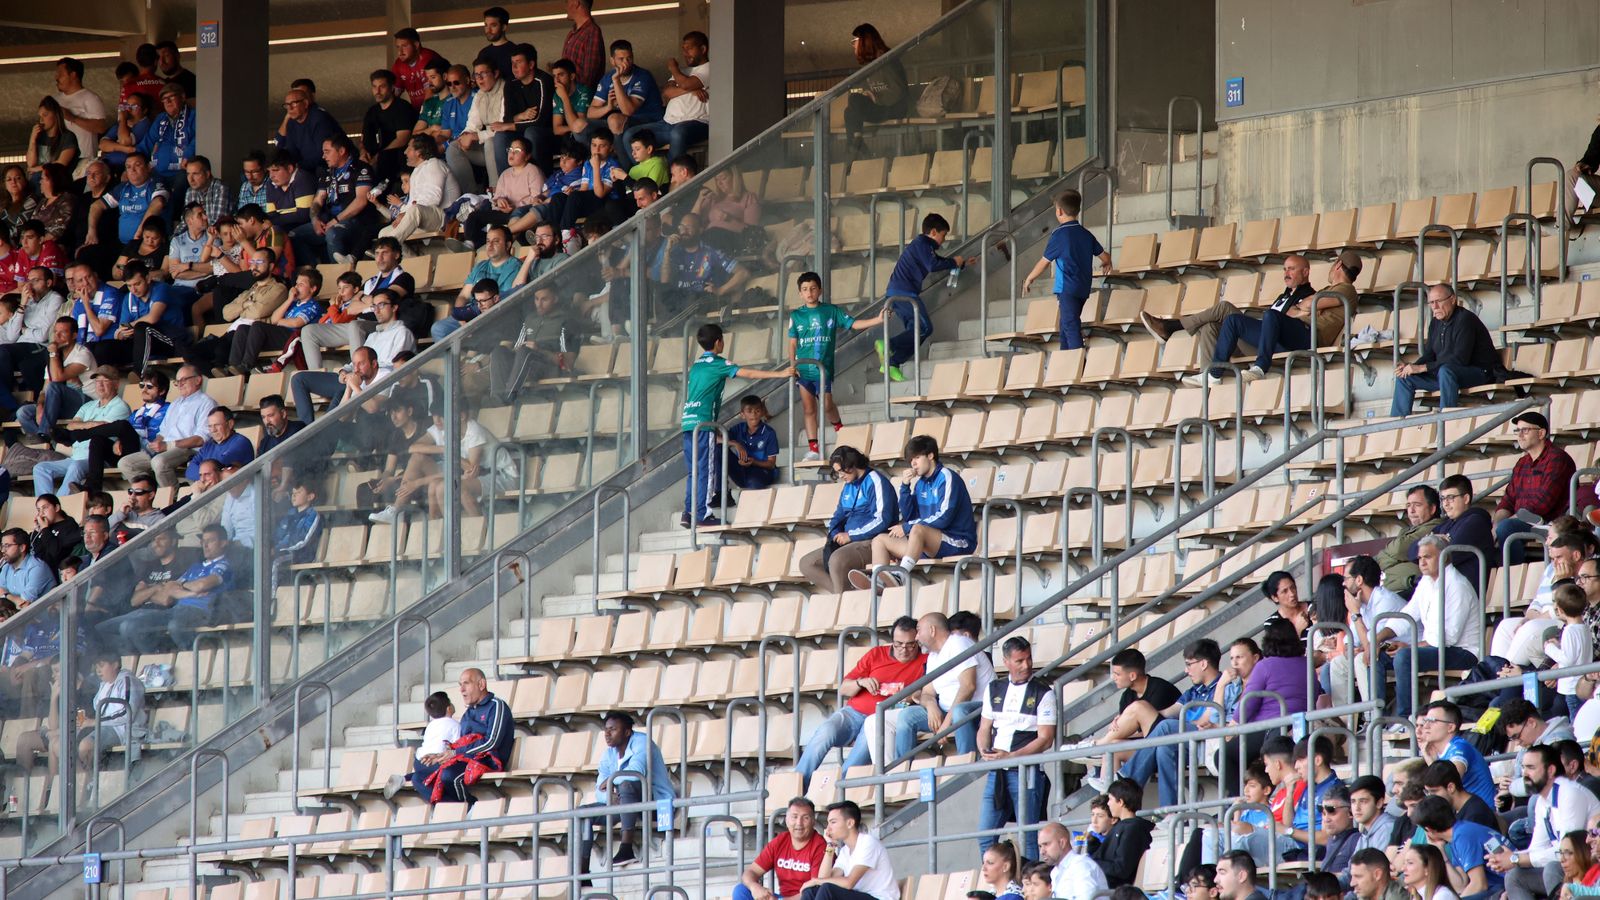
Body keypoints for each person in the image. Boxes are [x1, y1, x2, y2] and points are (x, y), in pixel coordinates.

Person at [678, 323, 795, 527]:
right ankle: (702, 515)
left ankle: (688, 512)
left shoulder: (696, 366)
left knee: (693, 471)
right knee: (705, 471)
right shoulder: (717, 363)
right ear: (718, 342)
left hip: (688, 424)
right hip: (704, 425)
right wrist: (780, 374)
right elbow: (747, 374)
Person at [860, 611, 985, 767]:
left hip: (979, 708)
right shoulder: (933, 656)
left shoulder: (958, 643)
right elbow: (927, 693)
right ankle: (901, 771)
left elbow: (968, 687)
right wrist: (931, 705)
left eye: (919, 630)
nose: (917, 637)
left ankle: (966, 765)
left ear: (932, 630)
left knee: (960, 711)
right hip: (947, 711)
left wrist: (945, 725)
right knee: (907, 716)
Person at [1378, 536, 1483, 720]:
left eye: (1428, 557)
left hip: (1463, 652)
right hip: (1436, 648)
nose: (1422, 562)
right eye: (1420, 558)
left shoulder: (1457, 585)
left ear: (1445, 556)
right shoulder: (1426, 582)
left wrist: (1413, 647)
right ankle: (1379, 717)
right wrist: (1377, 639)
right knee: (1377, 655)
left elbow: (1448, 637)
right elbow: (1407, 614)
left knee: (1404, 657)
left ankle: (1406, 719)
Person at [850, 435, 975, 590]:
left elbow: (944, 517)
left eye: (916, 457)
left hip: (957, 541)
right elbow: (911, 516)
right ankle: (879, 581)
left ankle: (900, 575)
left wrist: (908, 528)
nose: (913, 464)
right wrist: (905, 486)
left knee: (916, 529)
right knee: (880, 540)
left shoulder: (947, 477)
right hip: (927, 543)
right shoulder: (920, 484)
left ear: (930, 455)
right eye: (910, 460)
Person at [788, 271, 884, 460]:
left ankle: (840, 429)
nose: (809, 293)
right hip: (803, 370)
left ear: (820, 290)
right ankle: (814, 448)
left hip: (824, 369)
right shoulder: (796, 315)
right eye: (805, 290)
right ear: (800, 293)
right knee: (809, 409)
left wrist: (878, 320)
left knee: (826, 404)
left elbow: (853, 324)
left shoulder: (831, 311)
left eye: (813, 289)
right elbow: (792, 343)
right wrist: (792, 367)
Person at [976, 636, 1055, 860]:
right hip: (998, 771)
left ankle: (1029, 886)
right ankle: (1001, 882)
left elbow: (1046, 739)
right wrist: (983, 749)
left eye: (1029, 659)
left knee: (1027, 836)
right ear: (1006, 661)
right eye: (1019, 661)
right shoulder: (994, 689)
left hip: (1026, 771)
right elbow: (984, 728)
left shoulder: (1044, 692)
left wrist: (1012, 756)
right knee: (985, 835)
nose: (1026, 665)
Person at [95, 523, 231, 653]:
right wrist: (190, 593)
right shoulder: (196, 566)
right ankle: (149, 663)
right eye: (203, 541)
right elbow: (170, 589)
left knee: (174, 626)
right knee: (123, 627)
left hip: (200, 611)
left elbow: (201, 585)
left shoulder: (224, 564)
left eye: (210, 541)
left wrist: (182, 588)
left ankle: (185, 658)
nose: (205, 545)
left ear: (224, 543)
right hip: (176, 610)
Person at [1490, 746, 1600, 900]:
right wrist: (1509, 858)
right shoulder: (1543, 800)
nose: (1524, 774)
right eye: (1523, 768)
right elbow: (1537, 848)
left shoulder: (1570, 793)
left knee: (1552, 868)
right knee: (1514, 877)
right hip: (1571, 869)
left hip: (1590, 867)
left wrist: (1515, 859)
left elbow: (1569, 852)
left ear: (1550, 771)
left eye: (1531, 768)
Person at [577, 710, 675, 877]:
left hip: (654, 804)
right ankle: (583, 872)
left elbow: (636, 771)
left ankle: (626, 849)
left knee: (625, 783)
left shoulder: (642, 743)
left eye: (613, 729)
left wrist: (610, 781)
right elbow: (599, 790)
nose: (607, 734)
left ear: (627, 732)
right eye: (606, 729)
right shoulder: (608, 754)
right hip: (624, 804)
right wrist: (610, 797)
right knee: (583, 813)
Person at [1074, 645, 1183, 793]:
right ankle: (1112, 801)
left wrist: (1121, 728)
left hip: (1168, 749)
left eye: (1117, 674)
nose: (1113, 678)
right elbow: (1130, 732)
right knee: (1112, 747)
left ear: (1132, 676)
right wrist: (1118, 728)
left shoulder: (1160, 689)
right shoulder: (1127, 695)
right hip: (1146, 749)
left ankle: (1096, 746)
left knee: (1138, 709)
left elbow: (1152, 731)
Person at [875, 214, 971, 382]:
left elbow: (938, 260)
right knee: (925, 328)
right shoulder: (922, 244)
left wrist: (960, 263)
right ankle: (888, 345)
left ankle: (892, 363)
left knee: (916, 331)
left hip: (898, 293)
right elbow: (933, 265)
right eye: (943, 235)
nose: (944, 239)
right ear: (933, 232)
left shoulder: (924, 248)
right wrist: (953, 262)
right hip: (903, 294)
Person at [798, 446, 899, 594]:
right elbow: (838, 516)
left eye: (841, 471)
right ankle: (847, 595)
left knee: (837, 560)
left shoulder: (876, 481)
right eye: (837, 472)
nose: (840, 476)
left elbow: (883, 519)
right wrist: (835, 535)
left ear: (852, 465)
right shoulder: (848, 486)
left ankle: (842, 602)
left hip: (872, 541)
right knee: (807, 563)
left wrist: (851, 536)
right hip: (849, 541)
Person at [1390, 284, 1500, 417]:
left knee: (1446, 371)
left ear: (1452, 299)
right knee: (1404, 378)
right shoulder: (1435, 323)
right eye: (1431, 302)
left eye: (1438, 301)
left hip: (1480, 373)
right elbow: (1429, 354)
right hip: (1447, 376)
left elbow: (1460, 359)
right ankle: (1397, 424)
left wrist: (1422, 368)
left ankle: (1446, 421)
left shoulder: (1465, 319)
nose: (1434, 307)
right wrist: (1411, 367)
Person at [1020, 189, 1110, 351]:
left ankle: (1077, 362)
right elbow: (1104, 256)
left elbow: (1044, 262)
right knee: (1065, 327)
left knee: (1070, 324)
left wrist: (1029, 278)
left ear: (1059, 211)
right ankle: (1065, 361)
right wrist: (1107, 263)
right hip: (1082, 288)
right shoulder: (1086, 234)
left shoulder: (1059, 234)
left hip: (1067, 288)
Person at [409, 668, 512, 804]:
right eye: (460, 685)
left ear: (481, 685)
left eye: (466, 683)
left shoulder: (497, 706)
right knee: (418, 778)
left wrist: (455, 752)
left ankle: (467, 807)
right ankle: (456, 810)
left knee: (449, 775)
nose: (461, 690)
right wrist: (440, 756)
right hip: (466, 759)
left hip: (487, 760)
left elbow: (491, 742)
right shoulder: (468, 714)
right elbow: (460, 744)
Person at [35, 366, 129, 496]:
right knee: (41, 468)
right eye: (97, 381)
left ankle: (59, 504)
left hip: (98, 458)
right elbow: (70, 426)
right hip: (76, 456)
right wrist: (91, 424)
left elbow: (104, 428)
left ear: (116, 384)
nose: (100, 385)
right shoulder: (88, 406)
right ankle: (44, 505)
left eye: (105, 381)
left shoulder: (120, 406)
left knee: (76, 466)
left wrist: (82, 424)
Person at [1497, 411, 1578, 564]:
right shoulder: (1522, 463)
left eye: (1525, 430)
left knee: (1506, 527)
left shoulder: (1557, 458)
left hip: (1549, 522)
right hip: (1526, 520)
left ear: (1541, 433)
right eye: (1517, 430)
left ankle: (1512, 575)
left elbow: (1542, 503)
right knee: (1491, 528)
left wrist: (1505, 523)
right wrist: (1495, 524)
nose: (1520, 435)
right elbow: (1508, 500)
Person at [295, 136, 381, 266]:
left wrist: (335, 221)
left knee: (332, 233)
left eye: (327, 151)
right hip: (330, 220)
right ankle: (313, 273)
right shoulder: (328, 173)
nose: (323, 156)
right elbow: (318, 200)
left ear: (341, 151)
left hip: (357, 222)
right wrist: (314, 219)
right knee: (294, 235)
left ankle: (341, 278)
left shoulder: (360, 168)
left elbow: (361, 201)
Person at [15, 315, 97, 445]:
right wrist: (40, 406)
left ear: (74, 335)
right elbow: (44, 390)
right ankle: (49, 443)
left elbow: (57, 378)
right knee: (23, 412)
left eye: (63, 332)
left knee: (55, 386)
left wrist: (53, 353)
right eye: (55, 332)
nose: (57, 337)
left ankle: (45, 433)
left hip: (87, 402)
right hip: (60, 404)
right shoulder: (54, 358)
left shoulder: (82, 353)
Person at [796, 800, 898, 900]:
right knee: (811, 891)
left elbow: (849, 882)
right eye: (828, 823)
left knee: (828, 889)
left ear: (850, 823)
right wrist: (830, 845)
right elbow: (824, 878)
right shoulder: (845, 851)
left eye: (833, 822)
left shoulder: (868, 843)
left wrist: (815, 881)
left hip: (879, 898)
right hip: (859, 896)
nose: (828, 828)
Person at [735, 796, 829, 900]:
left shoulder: (819, 846)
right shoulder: (780, 841)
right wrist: (754, 887)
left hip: (804, 898)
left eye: (805, 818)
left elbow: (816, 890)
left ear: (813, 822)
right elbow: (751, 872)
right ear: (787, 820)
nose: (799, 823)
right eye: (794, 817)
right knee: (741, 889)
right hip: (782, 897)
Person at [583, 40, 662, 151]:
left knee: (614, 120)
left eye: (629, 58)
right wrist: (608, 107)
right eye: (621, 59)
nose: (626, 63)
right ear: (612, 61)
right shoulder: (607, 78)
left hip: (648, 119)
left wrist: (616, 81)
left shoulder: (643, 76)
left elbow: (628, 111)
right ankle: (592, 164)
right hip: (623, 122)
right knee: (579, 124)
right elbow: (591, 113)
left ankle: (623, 165)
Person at [379, 136, 460, 244]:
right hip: (425, 217)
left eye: (409, 148)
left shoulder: (434, 164)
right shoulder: (417, 171)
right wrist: (403, 214)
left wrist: (406, 214)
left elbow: (432, 199)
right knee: (383, 234)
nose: (405, 152)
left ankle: (388, 247)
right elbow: (413, 203)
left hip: (445, 217)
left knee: (415, 210)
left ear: (419, 151)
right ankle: (408, 258)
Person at [843, 25, 906, 154]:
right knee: (849, 111)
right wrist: (868, 95)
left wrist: (875, 97)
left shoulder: (886, 60)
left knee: (853, 102)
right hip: (881, 107)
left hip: (894, 107)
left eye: (854, 41)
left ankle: (855, 146)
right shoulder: (869, 65)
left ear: (864, 42)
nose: (853, 45)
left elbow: (898, 92)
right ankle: (856, 141)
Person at [497, 43, 558, 177]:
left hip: (547, 133)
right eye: (512, 63)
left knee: (531, 133)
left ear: (531, 64)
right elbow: (507, 117)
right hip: (522, 130)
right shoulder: (511, 83)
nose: (514, 67)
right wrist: (520, 116)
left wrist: (512, 124)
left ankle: (540, 181)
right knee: (500, 136)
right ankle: (505, 183)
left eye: (518, 62)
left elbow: (541, 121)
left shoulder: (543, 81)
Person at [448, 58, 508, 192]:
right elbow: (472, 123)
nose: (480, 79)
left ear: (496, 73)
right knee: (454, 147)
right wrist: (465, 136)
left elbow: (502, 129)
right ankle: (471, 196)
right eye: (476, 75)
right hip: (487, 148)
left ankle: (497, 191)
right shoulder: (479, 95)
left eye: (484, 74)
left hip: (506, 148)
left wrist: (476, 136)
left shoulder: (506, 90)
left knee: (491, 142)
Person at [1087, 778, 1155, 888]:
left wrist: (1091, 862)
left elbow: (1121, 869)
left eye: (1110, 799)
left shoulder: (1132, 829)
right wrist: (1092, 842)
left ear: (1121, 802)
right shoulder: (1122, 826)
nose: (1108, 804)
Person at [1433, 474, 1495, 592]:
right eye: (1442, 498)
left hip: (1465, 592)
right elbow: (1413, 551)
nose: (1445, 504)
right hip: (1444, 588)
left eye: (1450, 497)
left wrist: (1431, 545)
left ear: (1466, 499)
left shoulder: (1476, 522)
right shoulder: (1445, 525)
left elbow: (1449, 556)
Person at [1379, 486, 1444, 596]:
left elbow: (1399, 549)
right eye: (1408, 505)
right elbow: (1380, 560)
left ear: (1432, 509)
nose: (1411, 510)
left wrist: (1387, 556)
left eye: (1417, 505)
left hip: (1412, 591)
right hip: (1395, 590)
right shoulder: (1406, 531)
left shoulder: (1434, 526)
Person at [52, 57, 109, 177]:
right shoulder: (55, 100)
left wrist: (72, 118)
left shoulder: (90, 98)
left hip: (83, 160)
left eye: (61, 74)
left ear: (73, 75)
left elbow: (101, 127)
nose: (56, 78)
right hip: (58, 160)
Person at [1546, 584, 1595, 719]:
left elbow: (1568, 660)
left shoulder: (1569, 630)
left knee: (1576, 720)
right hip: (1584, 685)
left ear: (1560, 610)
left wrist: (1549, 649)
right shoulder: (1584, 627)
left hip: (1573, 687)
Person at [1036, 822, 1109, 900]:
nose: (1042, 851)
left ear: (1062, 843)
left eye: (1046, 844)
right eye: (1040, 846)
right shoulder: (1055, 872)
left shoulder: (1080, 866)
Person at [1420, 760, 1500, 830]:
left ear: (1451, 787)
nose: (1430, 797)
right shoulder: (1454, 808)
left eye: (1434, 791)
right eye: (1428, 792)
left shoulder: (1474, 816)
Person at [725, 395, 779, 491]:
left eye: (757, 411)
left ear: (762, 412)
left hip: (763, 472)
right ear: (742, 414)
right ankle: (721, 492)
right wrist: (736, 444)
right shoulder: (738, 429)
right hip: (742, 471)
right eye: (749, 411)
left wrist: (753, 462)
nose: (753, 414)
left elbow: (771, 464)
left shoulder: (769, 432)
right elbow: (716, 439)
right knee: (718, 448)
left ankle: (756, 504)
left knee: (753, 482)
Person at [1350, 774, 1407, 854]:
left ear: (1379, 803)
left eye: (1363, 801)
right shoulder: (1365, 832)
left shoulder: (1388, 829)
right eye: (1353, 801)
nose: (1357, 808)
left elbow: (1376, 866)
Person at [391, 28, 444, 109]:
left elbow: (430, 95)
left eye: (404, 46)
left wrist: (421, 117)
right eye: (398, 47)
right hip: (418, 110)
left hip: (438, 109)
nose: (400, 52)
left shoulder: (428, 59)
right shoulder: (398, 64)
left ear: (416, 45)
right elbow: (393, 95)